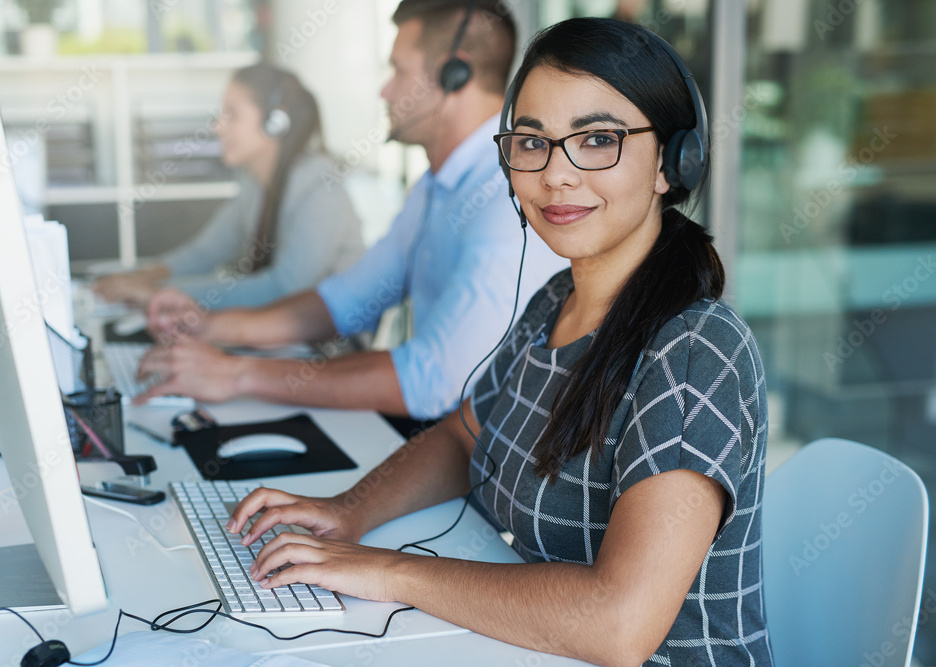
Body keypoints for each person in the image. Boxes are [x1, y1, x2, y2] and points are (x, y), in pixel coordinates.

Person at [223, 17, 773, 667]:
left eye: (597, 139)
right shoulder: (554, 301)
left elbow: (618, 625)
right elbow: (463, 435)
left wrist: (387, 571)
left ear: (672, 162)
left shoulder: (692, 351)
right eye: (533, 142)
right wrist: (348, 512)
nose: (557, 175)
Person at [135, 0, 568, 430]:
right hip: (438, 440)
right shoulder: (435, 187)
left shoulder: (506, 199)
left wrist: (235, 374)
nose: (385, 90)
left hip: (483, 471)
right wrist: (207, 328)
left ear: (455, 74)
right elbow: (347, 301)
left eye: (398, 70)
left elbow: (431, 379)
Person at [92, 64, 364, 310]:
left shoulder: (320, 188)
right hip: (283, 340)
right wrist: (138, 279)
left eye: (232, 115)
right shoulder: (255, 185)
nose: (218, 127)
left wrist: (158, 293)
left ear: (274, 124)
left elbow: (284, 289)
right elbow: (204, 253)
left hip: (332, 352)